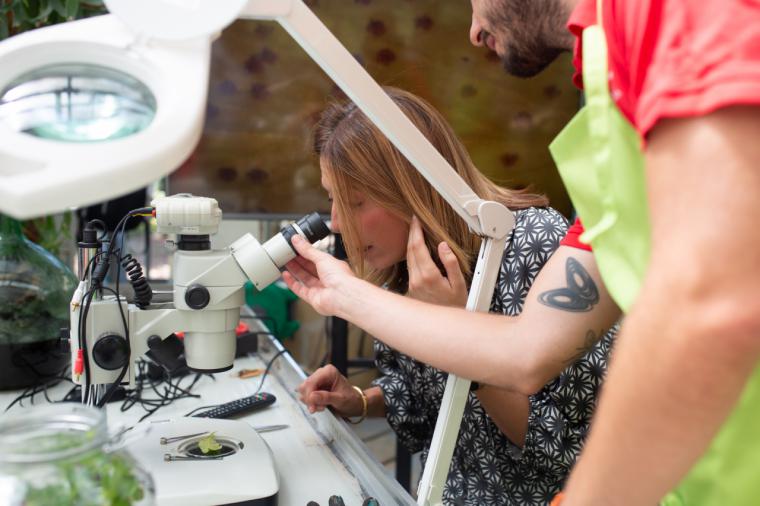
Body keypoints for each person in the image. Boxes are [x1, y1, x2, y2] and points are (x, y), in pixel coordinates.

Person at [286, 0, 760, 504]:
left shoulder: (673, 17)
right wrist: (341, 295)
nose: (471, 31)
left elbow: (713, 305)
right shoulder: (609, 94)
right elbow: (528, 349)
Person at [296, 86, 617, 505]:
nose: (336, 223)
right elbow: (421, 399)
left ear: (413, 189)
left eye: (354, 201)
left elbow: (566, 451)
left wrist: (461, 330)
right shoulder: (404, 269)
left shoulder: (536, 245)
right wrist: (358, 400)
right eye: (331, 198)